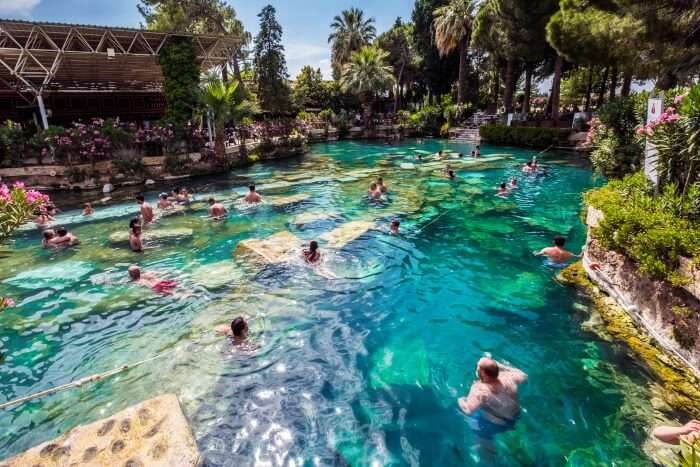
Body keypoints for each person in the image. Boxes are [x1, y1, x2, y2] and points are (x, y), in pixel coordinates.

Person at [458, 357, 527, 433]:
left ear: (483, 374)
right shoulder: (509, 377)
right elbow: (524, 376)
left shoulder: (479, 390)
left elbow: (468, 410)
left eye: (478, 367)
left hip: (498, 424)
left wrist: (460, 399)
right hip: (517, 415)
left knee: (477, 431)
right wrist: (504, 367)